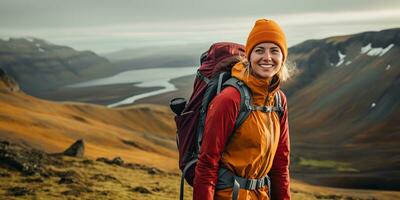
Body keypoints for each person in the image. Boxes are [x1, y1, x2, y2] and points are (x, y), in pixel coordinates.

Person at [193, 19, 291, 200]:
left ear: (282, 57)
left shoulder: (278, 100)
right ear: (249, 56)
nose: (267, 58)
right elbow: (207, 163)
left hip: (262, 195)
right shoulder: (230, 99)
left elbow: (280, 165)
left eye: (274, 51)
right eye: (259, 50)